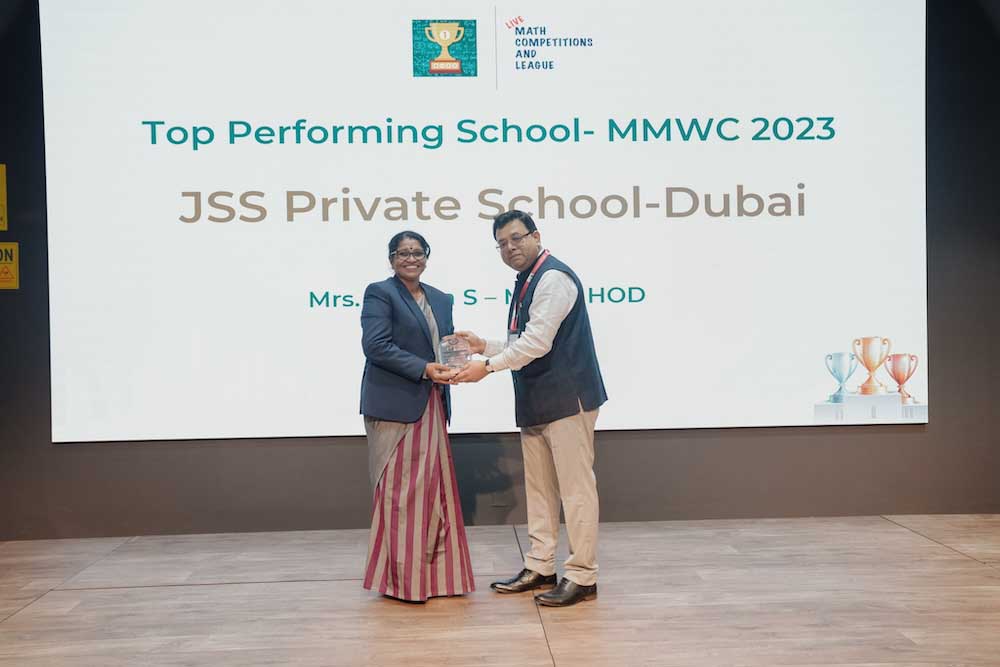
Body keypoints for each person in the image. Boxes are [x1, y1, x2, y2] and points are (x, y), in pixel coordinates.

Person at [454, 210, 607, 607]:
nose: (510, 248)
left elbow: (537, 343)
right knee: (540, 490)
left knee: (575, 491)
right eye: (502, 243)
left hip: (567, 399)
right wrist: (484, 346)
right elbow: (523, 341)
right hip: (538, 401)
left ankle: (582, 575)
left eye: (516, 238)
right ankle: (541, 565)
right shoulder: (528, 279)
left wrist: (487, 366)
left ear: (536, 236)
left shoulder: (552, 278)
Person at [360, 230, 474, 602]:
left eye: (417, 252)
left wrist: (456, 359)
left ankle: (439, 580)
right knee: (400, 495)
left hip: (433, 403)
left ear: (427, 255)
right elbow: (376, 345)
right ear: (391, 259)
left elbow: (444, 347)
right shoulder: (380, 293)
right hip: (395, 406)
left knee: (435, 494)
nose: (410, 258)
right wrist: (424, 368)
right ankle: (402, 583)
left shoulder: (441, 298)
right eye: (402, 253)